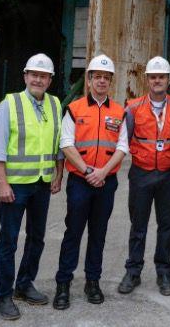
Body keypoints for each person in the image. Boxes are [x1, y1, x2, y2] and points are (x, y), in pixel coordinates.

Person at [52, 54, 128, 310]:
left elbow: (122, 146)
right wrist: (87, 171)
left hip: (106, 182)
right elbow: (66, 143)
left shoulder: (119, 111)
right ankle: (63, 284)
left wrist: (103, 172)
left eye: (106, 78)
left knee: (99, 233)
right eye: (98, 77)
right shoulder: (74, 109)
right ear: (89, 79)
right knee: (73, 232)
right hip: (80, 182)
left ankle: (92, 282)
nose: (102, 81)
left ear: (111, 81)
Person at [0, 53, 63, 320]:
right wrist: (1, 182)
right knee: (8, 241)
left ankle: (24, 284)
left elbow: (58, 144)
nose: (38, 79)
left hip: (42, 185)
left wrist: (58, 174)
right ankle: (3, 295)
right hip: (15, 186)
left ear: (50, 80)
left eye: (43, 76)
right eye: (34, 74)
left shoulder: (56, 104)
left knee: (37, 238)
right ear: (25, 76)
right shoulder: (10, 103)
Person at [117, 56, 170, 296]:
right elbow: (124, 140)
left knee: (166, 225)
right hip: (141, 173)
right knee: (138, 225)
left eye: (161, 77)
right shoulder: (133, 107)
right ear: (147, 80)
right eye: (153, 77)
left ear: (168, 80)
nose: (157, 80)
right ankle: (133, 271)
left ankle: (163, 271)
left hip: (169, 173)